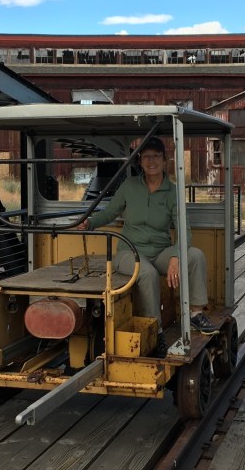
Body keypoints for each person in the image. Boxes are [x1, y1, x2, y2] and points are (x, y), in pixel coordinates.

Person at [78, 136, 216, 351]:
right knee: (147, 272)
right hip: (129, 251)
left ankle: (196, 314)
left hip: (160, 250)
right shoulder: (129, 186)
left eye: (156, 157)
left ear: (165, 160)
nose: (151, 161)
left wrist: (176, 256)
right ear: (140, 161)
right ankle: (157, 331)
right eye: (146, 157)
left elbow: (184, 230)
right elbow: (110, 213)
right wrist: (89, 223)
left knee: (195, 255)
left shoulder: (172, 191)